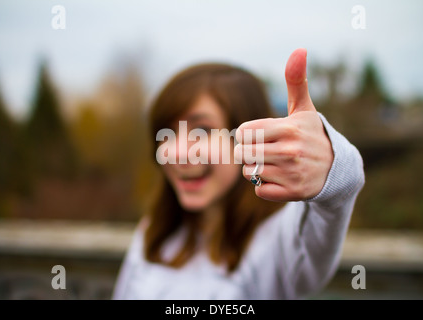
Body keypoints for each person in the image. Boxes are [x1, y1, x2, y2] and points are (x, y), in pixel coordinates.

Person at [112, 48, 365, 300]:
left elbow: (325, 220)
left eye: (202, 130)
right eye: (167, 131)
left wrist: (333, 163)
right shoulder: (153, 232)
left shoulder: (277, 245)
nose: (175, 153)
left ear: (252, 139)